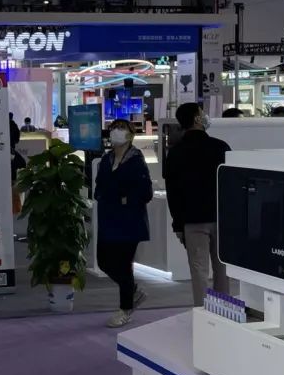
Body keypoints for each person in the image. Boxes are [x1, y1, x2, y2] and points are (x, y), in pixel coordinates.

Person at [163, 102, 231, 306]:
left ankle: (202, 311)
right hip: (221, 217)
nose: (205, 116)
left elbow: (173, 192)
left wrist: (178, 224)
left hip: (192, 220)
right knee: (222, 268)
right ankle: (224, 309)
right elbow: (231, 184)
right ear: (197, 119)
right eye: (202, 113)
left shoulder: (175, 153)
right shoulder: (220, 147)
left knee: (198, 269)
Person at [95, 119, 154, 328]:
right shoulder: (106, 159)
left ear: (130, 135)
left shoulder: (136, 160)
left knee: (123, 264)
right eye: (113, 129)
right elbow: (99, 187)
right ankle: (132, 291)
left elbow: (145, 193)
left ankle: (125, 308)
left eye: (120, 129)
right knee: (104, 262)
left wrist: (123, 199)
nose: (115, 132)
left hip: (129, 222)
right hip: (108, 219)